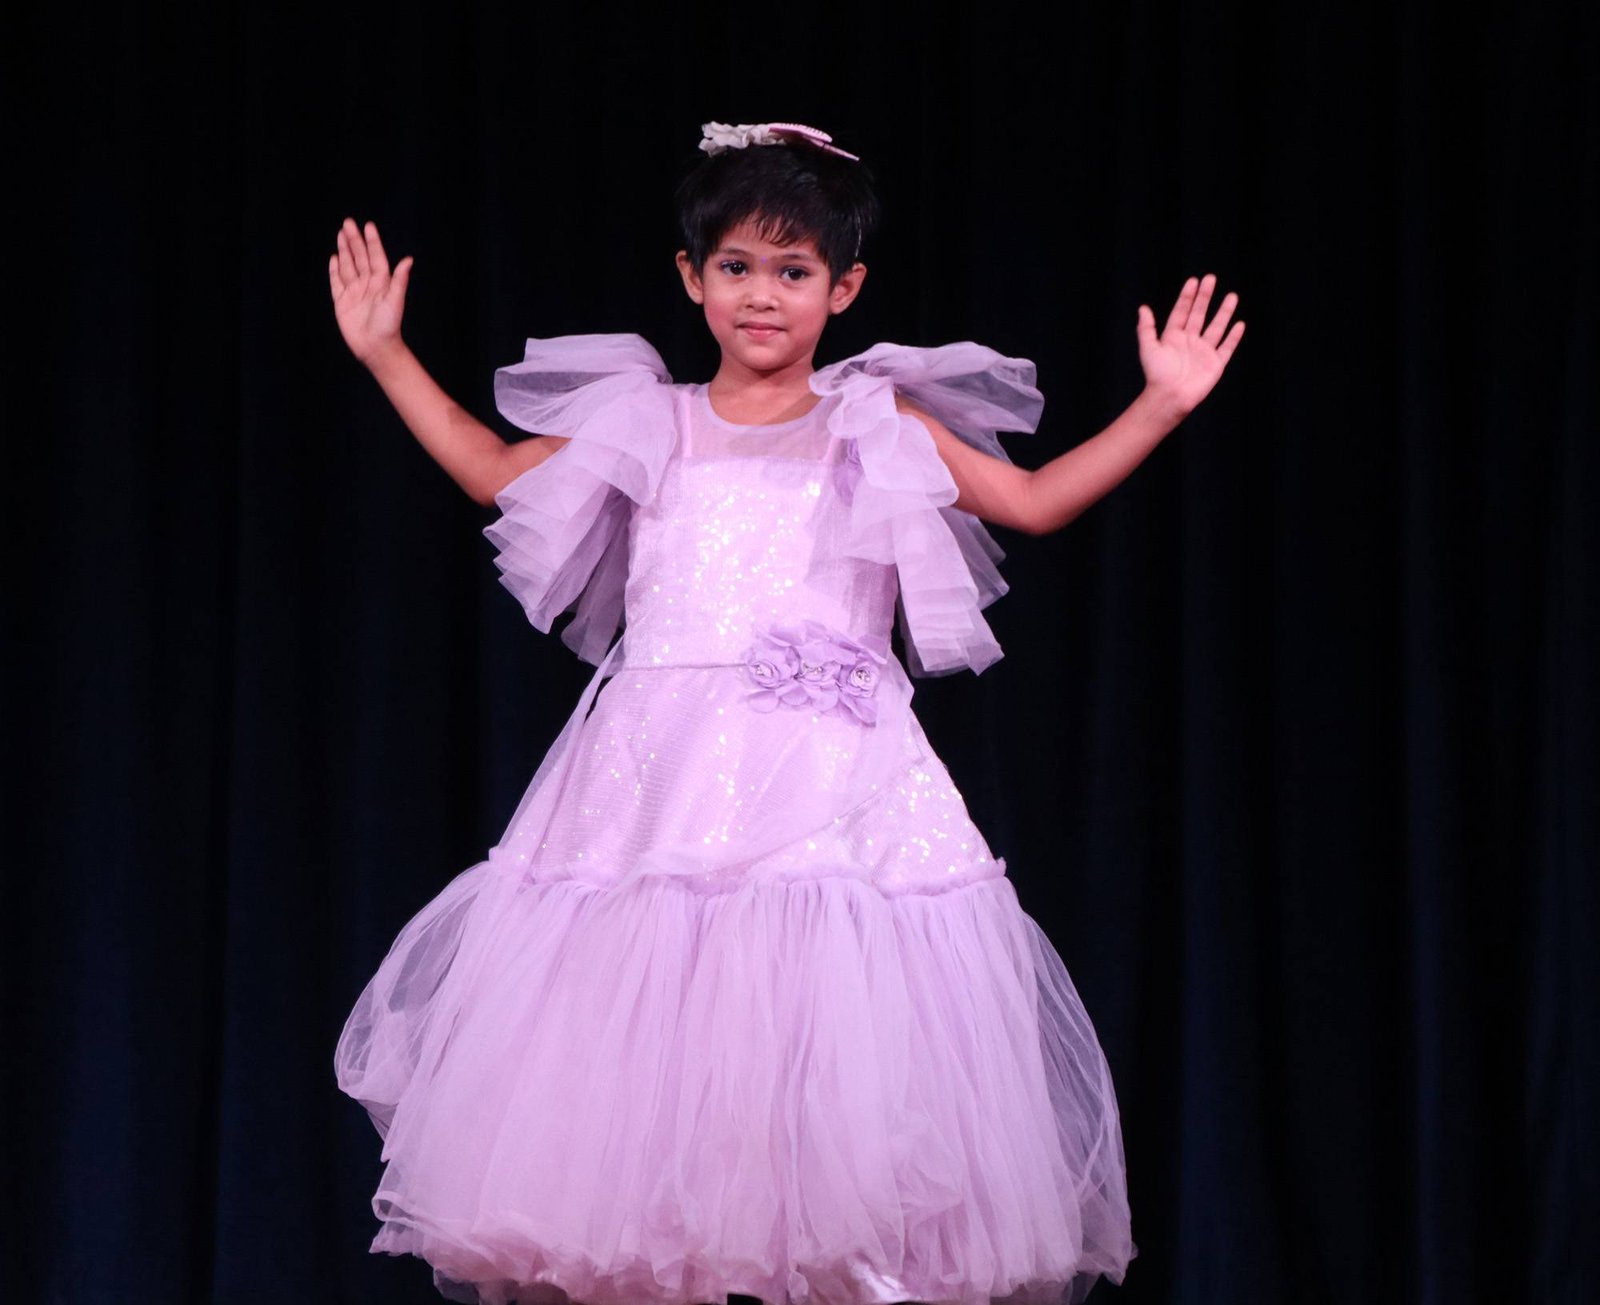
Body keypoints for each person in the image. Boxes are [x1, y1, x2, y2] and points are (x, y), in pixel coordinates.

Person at [327, 120, 1243, 1305]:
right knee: (648, 1080)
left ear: (843, 288)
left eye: (794, 270)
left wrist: (1160, 405)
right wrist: (384, 354)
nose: (762, 295)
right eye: (737, 267)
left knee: (828, 1070)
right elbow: (496, 473)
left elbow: (1029, 500)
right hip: (657, 789)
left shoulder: (872, 422)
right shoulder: (648, 421)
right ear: (691, 277)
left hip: (833, 789)